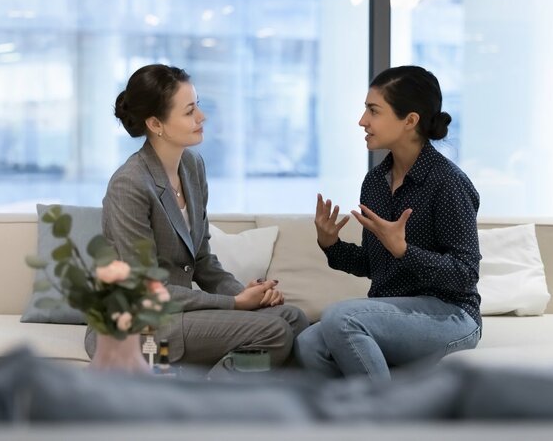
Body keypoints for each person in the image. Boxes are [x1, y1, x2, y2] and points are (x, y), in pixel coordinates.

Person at [85, 64, 308, 371]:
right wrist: (234, 304)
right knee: (274, 332)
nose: (201, 117)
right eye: (189, 111)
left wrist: (244, 294)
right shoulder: (130, 183)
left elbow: (202, 261)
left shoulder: (191, 166)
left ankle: (222, 386)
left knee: (293, 318)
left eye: (198, 106)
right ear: (155, 123)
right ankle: (209, 406)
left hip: (179, 313)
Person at [295, 65, 482, 380]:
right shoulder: (375, 181)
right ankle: (354, 416)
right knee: (307, 343)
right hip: (394, 312)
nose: (362, 121)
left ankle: (387, 421)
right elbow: (373, 263)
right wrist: (332, 246)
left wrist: (404, 250)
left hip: (452, 314)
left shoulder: (447, 182)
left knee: (341, 318)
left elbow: (465, 275)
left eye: (373, 111)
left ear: (410, 121)